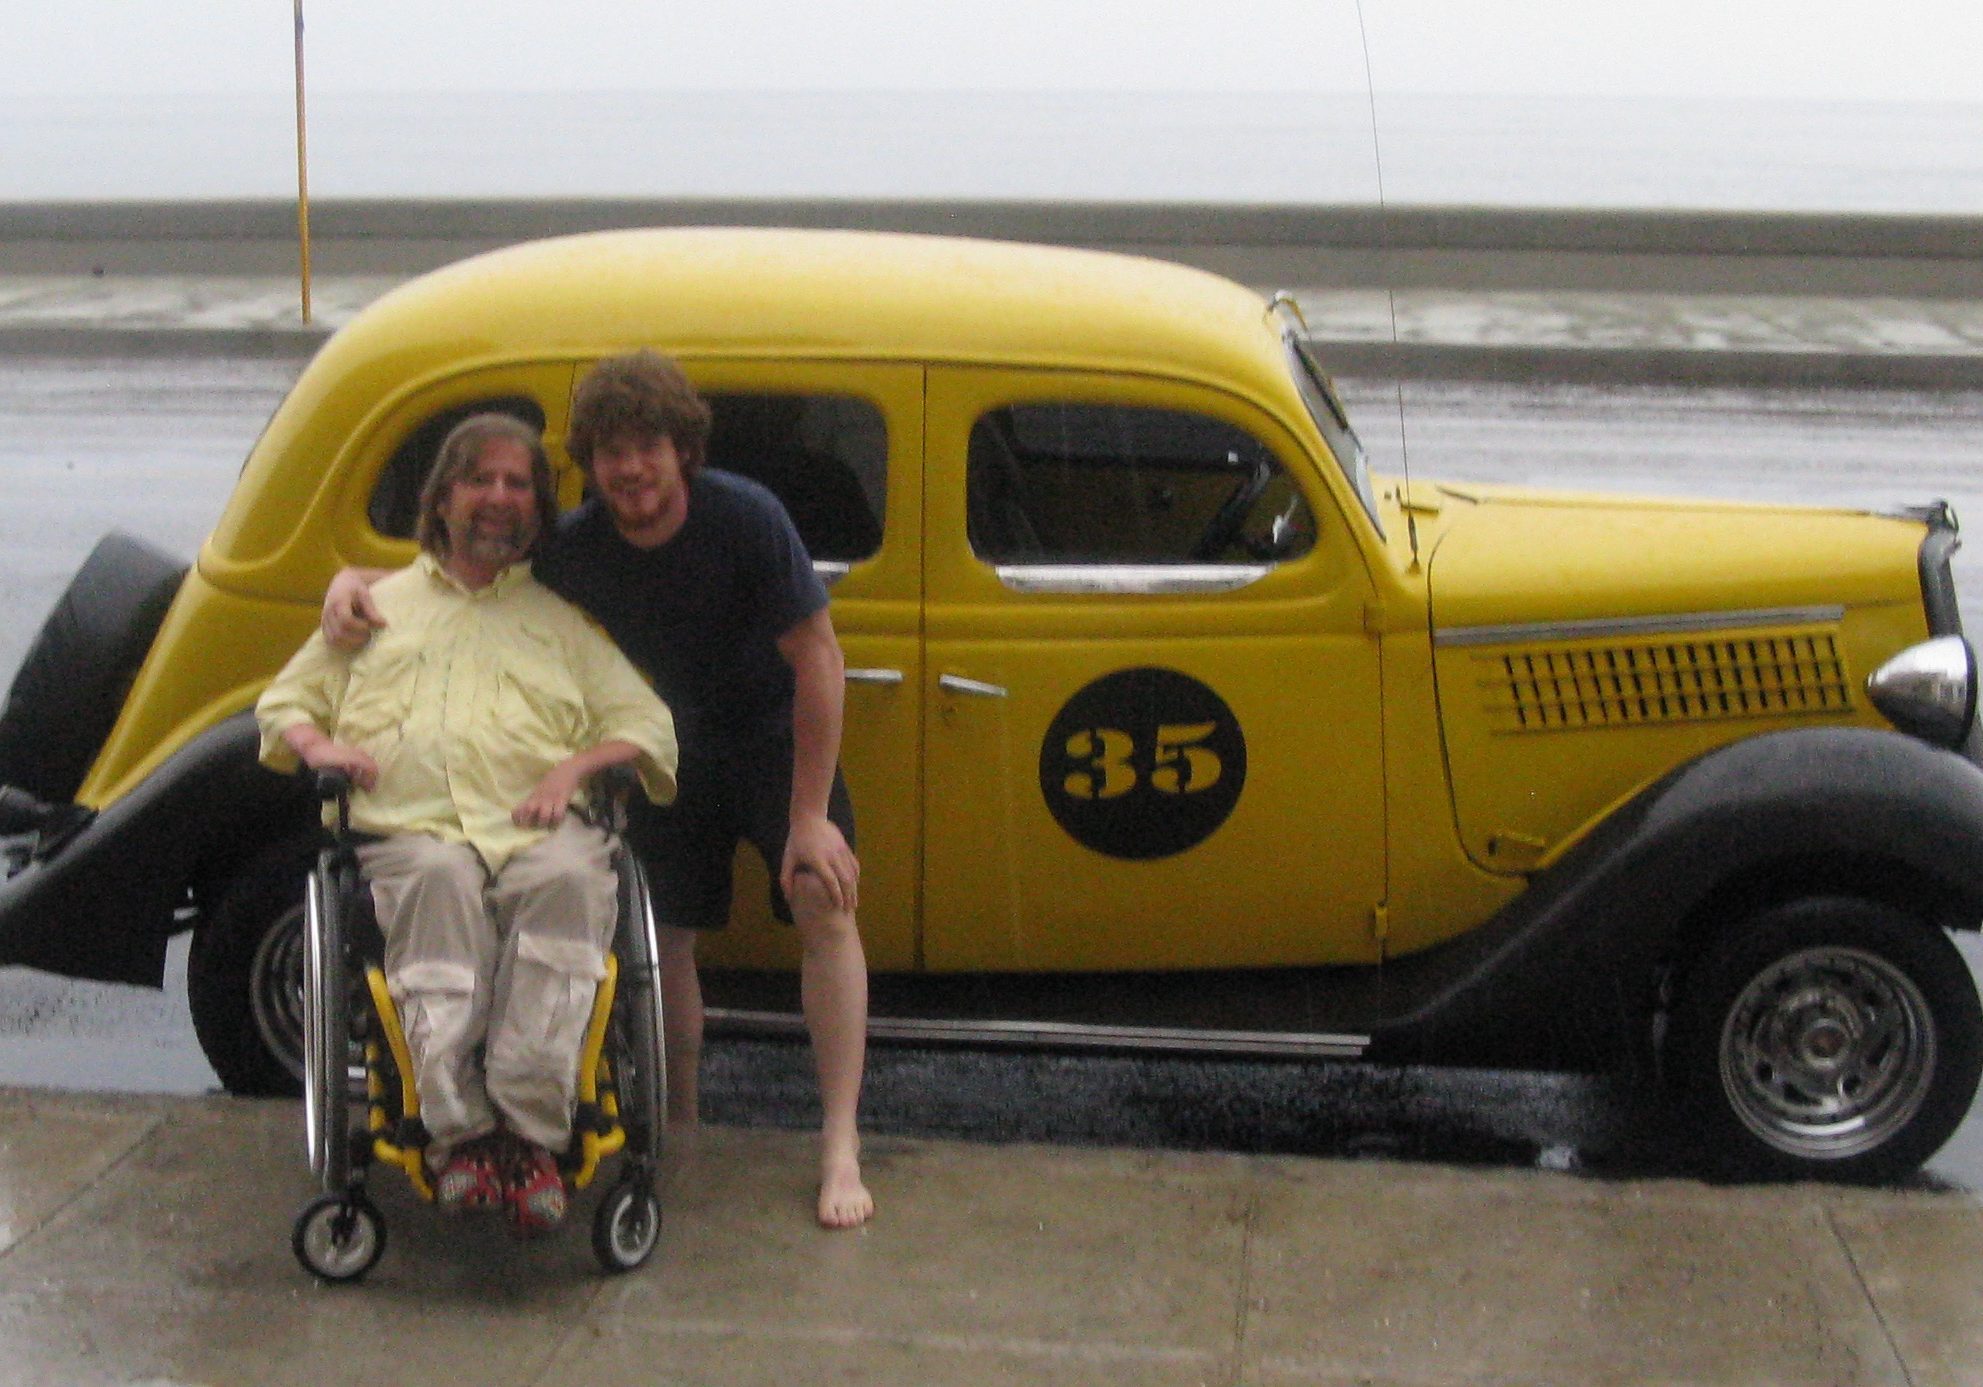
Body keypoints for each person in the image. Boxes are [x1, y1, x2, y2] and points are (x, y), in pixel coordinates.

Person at [324, 353, 874, 1229]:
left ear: (680, 449)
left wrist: (808, 814)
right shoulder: (572, 547)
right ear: (591, 462)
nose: (630, 469)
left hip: (768, 740)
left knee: (822, 897)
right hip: (655, 748)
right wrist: (348, 581)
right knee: (667, 937)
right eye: (610, 452)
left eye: (647, 447)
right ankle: (681, 1120)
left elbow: (818, 655)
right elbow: (461, 569)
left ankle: (840, 1141)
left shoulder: (746, 518)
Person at [261, 413, 677, 1236]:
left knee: (565, 879)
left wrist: (574, 770)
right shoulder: (372, 609)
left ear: (536, 509)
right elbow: (283, 704)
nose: (497, 497)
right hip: (412, 833)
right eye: (479, 480)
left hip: (538, 832)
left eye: (518, 483)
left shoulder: (560, 624)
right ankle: (460, 1133)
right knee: (443, 882)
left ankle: (526, 1133)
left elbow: (650, 723)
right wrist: (321, 743)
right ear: (443, 498)